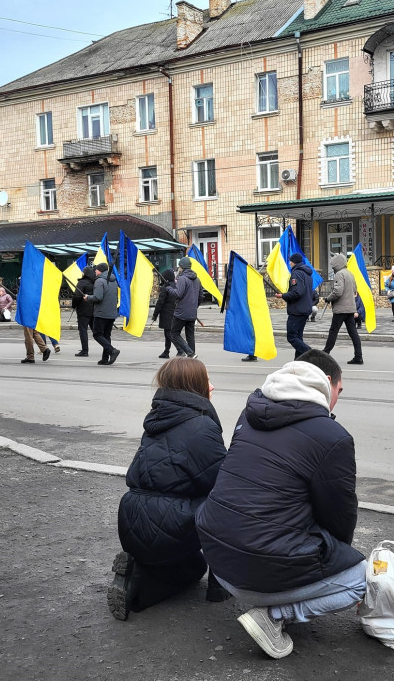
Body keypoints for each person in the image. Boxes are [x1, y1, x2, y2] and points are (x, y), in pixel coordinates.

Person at [196, 350, 365, 659]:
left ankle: (274, 592)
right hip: (254, 571)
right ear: (327, 383)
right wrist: (340, 562)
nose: (337, 399)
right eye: (339, 391)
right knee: (365, 577)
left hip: (217, 559)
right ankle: (274, 617)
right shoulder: (332, 437)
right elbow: (340, 517)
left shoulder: (250, 413)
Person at [109, 357, 229, 620]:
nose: (213, 386)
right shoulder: (201, 426)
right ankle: (220, 588)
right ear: (195, 384)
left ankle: (137, 576)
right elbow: (223, 482)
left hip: (132, 518)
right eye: (208, 380)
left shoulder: (158, 418)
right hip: (168, 522)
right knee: (227, 506)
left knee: (194, 567)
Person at [322, 253, 362, 365]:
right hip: (350, 308)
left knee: (333, 331)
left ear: (336, 263)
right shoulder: (350, 274)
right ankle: (358, 356)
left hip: (340, 308)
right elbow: (355, 290)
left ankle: (325, 353)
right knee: (353, 333)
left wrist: (328, 298)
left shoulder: (339, 274)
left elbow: (338, 292)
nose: (332, 266)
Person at [274, 253, 314, 359]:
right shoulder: (307, 274)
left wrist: (283, 295)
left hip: (297, 310)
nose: (289, 263)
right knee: (298, 337)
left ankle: (310, 352)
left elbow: (298, 292)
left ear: (293, 262)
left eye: (290, 261)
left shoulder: (296, 274)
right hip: (305, 309)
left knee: (291, 337)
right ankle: (298, 362)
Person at [86, 262, 120, 365]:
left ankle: (112, 350)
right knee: (106, 335)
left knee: (97, 334)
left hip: (101, 313)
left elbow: (98, 297)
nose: (95, 271)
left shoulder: (99, 281)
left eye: (96, 270)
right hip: (112, 312)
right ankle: (105, 358)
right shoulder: (113, 280)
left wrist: (88, 297)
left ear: (100, 270)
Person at [167, 257, 199, 358]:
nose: (178, 269)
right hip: (192, 312)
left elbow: (178, 294)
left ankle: (190, 353)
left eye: (179, 267)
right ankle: (192, 358)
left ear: (182, 267)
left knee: (174, 333)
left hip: (181, 312)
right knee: (190, 335)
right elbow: (201, 295)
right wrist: (194, 305)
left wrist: (168, 289)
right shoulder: (197, 279)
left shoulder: (182, 278)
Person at [71, 266, 96, 357]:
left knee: (83, 330)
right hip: (94, 310)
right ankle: (107, 347)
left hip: (83, 311)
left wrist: (74, 305)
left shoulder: (81, 283)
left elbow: (77, 296)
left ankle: (85, 350)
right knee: (96, 331)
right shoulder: (95, 283)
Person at [152, 269, 177, 359]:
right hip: (176, 313)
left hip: (167, 314)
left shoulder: (165, 288)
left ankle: (180, 350)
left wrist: (155, 315)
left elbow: (160, 302)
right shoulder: (177, 286)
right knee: (171, 333)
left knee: (169, 334)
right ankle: (166, 351)